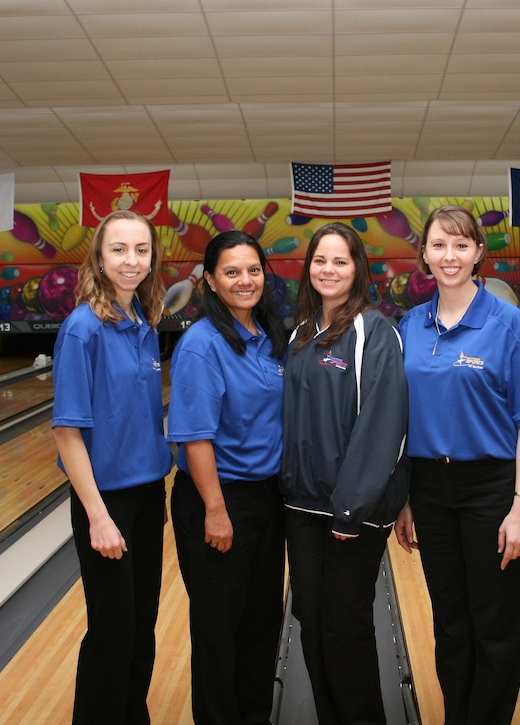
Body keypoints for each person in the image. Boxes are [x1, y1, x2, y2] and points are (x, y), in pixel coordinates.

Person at [393, 204, 520, 725]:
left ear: (479, 252)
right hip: (430, 488)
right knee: (451, 622)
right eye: (439, 245)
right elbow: (401, 421)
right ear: (424, 255)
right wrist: (407, 497)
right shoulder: (410, 325)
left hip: (492, 488)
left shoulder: (509, 326)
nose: (450, 255)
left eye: (461, 245)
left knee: (495, 622)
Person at [280, 222, 410, 725]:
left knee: (344, 628)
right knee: (310, 623)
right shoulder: (301, 332)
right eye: (320, 260)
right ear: (308, 267)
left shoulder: (374, 331)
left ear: (358, 269)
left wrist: (351, 507)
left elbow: (384, 422)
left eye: (340, 261)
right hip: (301, 505)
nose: (328, 269)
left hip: (350, 510)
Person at [51, 210, 172, 725]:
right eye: (119, 249)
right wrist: (98, 515)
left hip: (147, 497)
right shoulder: (83, 329)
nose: (131, 260)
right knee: (111, 630)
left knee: (141, 624)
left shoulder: (143, 323)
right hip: (108, 502)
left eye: (141, 250)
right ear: (99, 257)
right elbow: (67, 430)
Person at [167, 229, 290, 725]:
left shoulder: (268, 336)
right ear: (210, 282)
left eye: (253, 270)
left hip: (268, 499)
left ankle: (255, 715)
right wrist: (216, 512)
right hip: (217, 498)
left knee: (262, 621)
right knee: (219, 628)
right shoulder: (201, 345)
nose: (245, 280)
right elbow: (195, 439)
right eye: (232, 272)